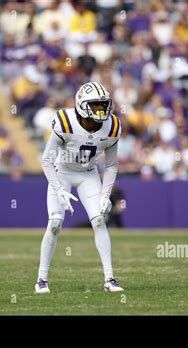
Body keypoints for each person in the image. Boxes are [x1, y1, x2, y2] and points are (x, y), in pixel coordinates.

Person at [36, 82, 124, 294]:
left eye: (103, 105)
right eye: (95, 106)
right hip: (61, 172)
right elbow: (46, 161)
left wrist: (105, 194)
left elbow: (111, 164)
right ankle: (41, 279)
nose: (101, 110)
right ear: (82, 105)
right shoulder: (65, 122)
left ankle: (110, 278)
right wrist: (58, 189)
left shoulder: (111, 126)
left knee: (100, 220)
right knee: (55, 222)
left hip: (88, 174)